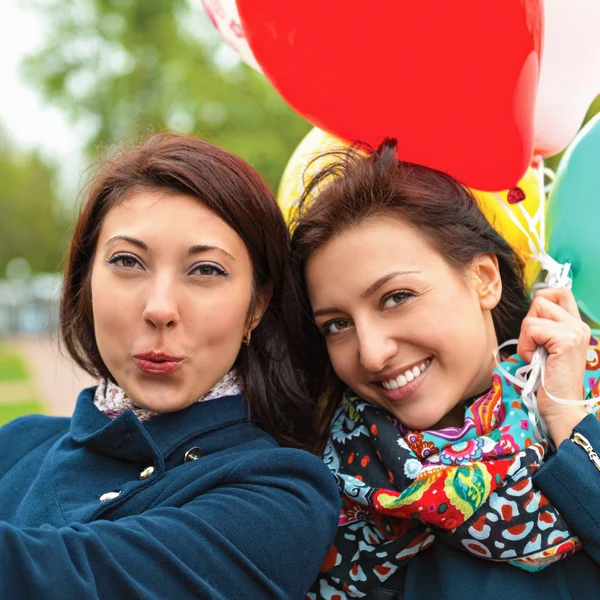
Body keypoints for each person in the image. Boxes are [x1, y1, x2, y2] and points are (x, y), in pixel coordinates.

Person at [0, 133, 339, 599]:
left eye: (206, 270)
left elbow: (73, 580)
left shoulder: (282, 495)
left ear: (256, 308)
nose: (160, 308)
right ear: (85, 282)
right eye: (127, 261)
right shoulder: (15, 445)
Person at [289, 139, 600, 600]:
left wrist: (568, 419)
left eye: (396, 298)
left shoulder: (587, 396)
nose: (371, 354)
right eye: (337, 325)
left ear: (484, 280)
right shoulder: (324, 494)